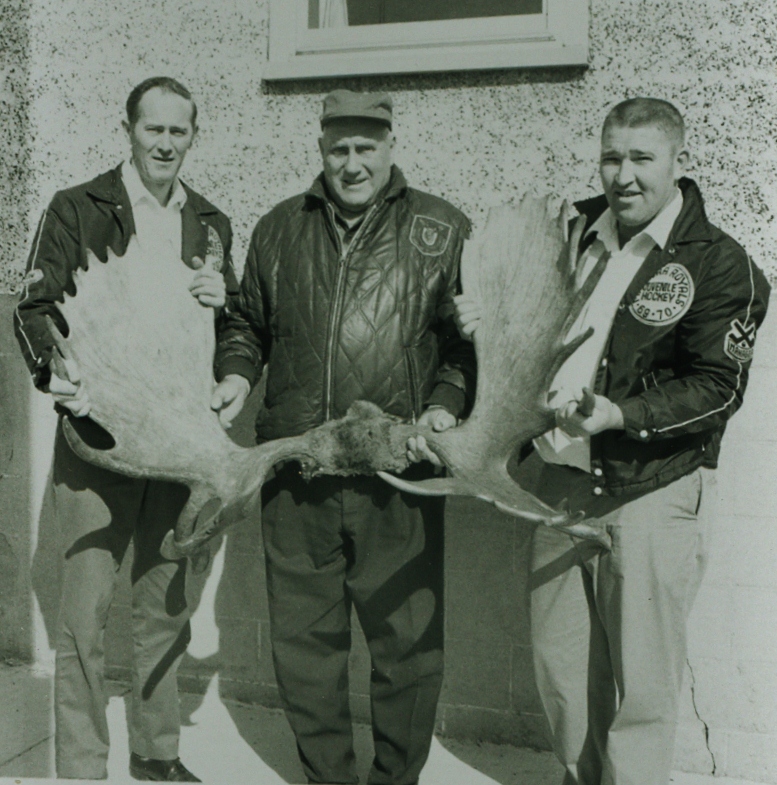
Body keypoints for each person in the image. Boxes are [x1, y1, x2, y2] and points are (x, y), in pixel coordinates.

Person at [455, 98, 770, 785]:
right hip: (557, 485)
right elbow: (518, 328)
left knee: (641, 688)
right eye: (611, 157)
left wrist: (618, 415)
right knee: (562, 673)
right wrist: (479, 320)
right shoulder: (568, 234)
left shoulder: (719, 264)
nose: (623, 176)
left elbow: (718, 387)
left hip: (651, 491)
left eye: (641, 158)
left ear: (677, 161)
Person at [212, 89, 475, 785]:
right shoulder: (278, 229)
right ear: (321, 149)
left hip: (399, 473)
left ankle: (396, 779)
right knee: (305, 647)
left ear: (390, 146)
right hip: (298, 472)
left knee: (406, 646)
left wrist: (445, 405)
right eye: (339, 149)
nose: (352, 163)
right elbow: (247, 324)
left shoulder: (442, 228)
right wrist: (236, 372)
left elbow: (465, 347)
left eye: (366, 148)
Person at [14, 76, 239, 782]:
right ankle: (83, 768)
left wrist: (232, 361)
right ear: (129, 130)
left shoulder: (211, 223)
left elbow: (235, 328)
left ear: (193, 136)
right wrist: (55, 373)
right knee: (84, 615)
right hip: (98, 444)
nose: (165, 144)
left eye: (178, 131)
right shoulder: (78, 208)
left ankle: (157, 752)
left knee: (166, 607)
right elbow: (33, 308)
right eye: (153, 129)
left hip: (176, 447)